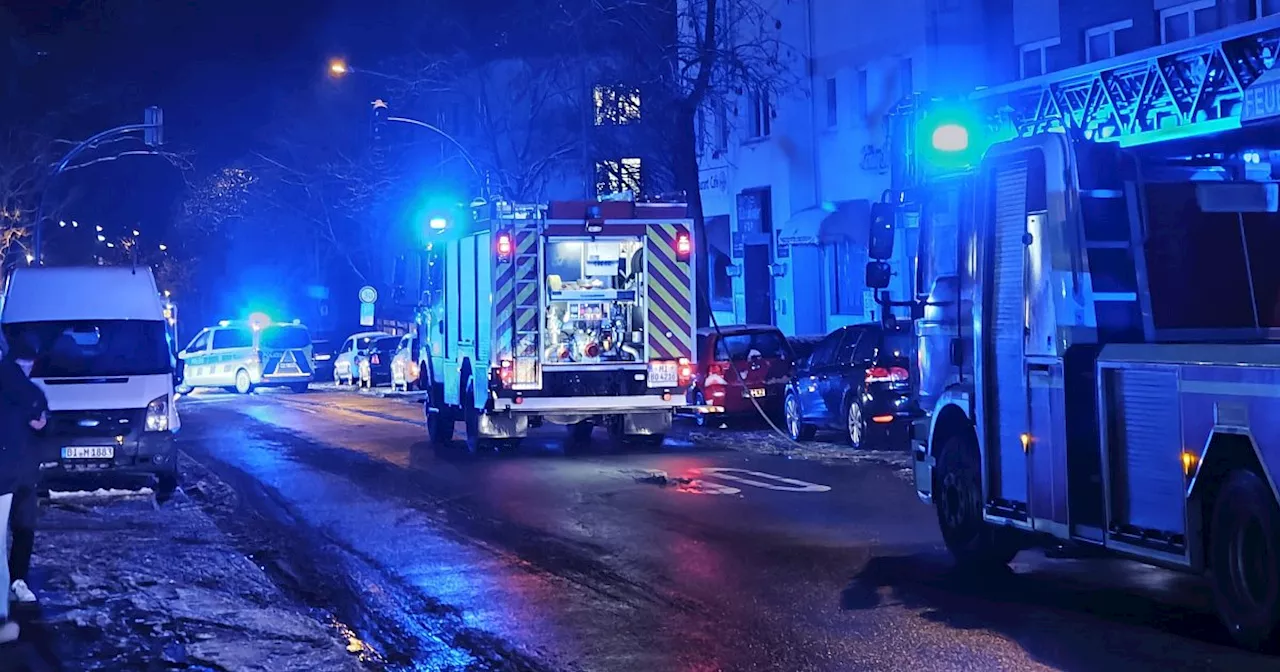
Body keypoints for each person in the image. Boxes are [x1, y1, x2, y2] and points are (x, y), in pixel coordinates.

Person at [0, 335, 48, 644]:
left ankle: (13, 588)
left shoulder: (17, 384)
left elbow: (42, 419)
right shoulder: (14, 380)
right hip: (9, 473)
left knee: (19, 530)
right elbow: (37, 410)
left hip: (19, 473)